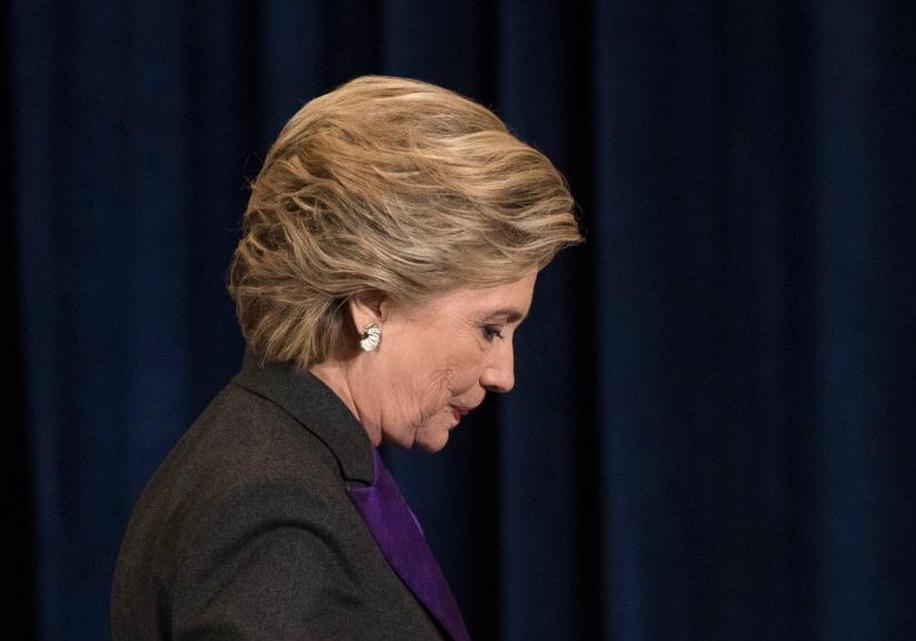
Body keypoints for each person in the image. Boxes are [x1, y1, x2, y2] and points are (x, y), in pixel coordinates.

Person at [110, 75, 583, 641]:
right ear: (371, 305)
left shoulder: (289, 463)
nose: (503, 375)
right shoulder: (270, 513)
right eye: (490, 328)